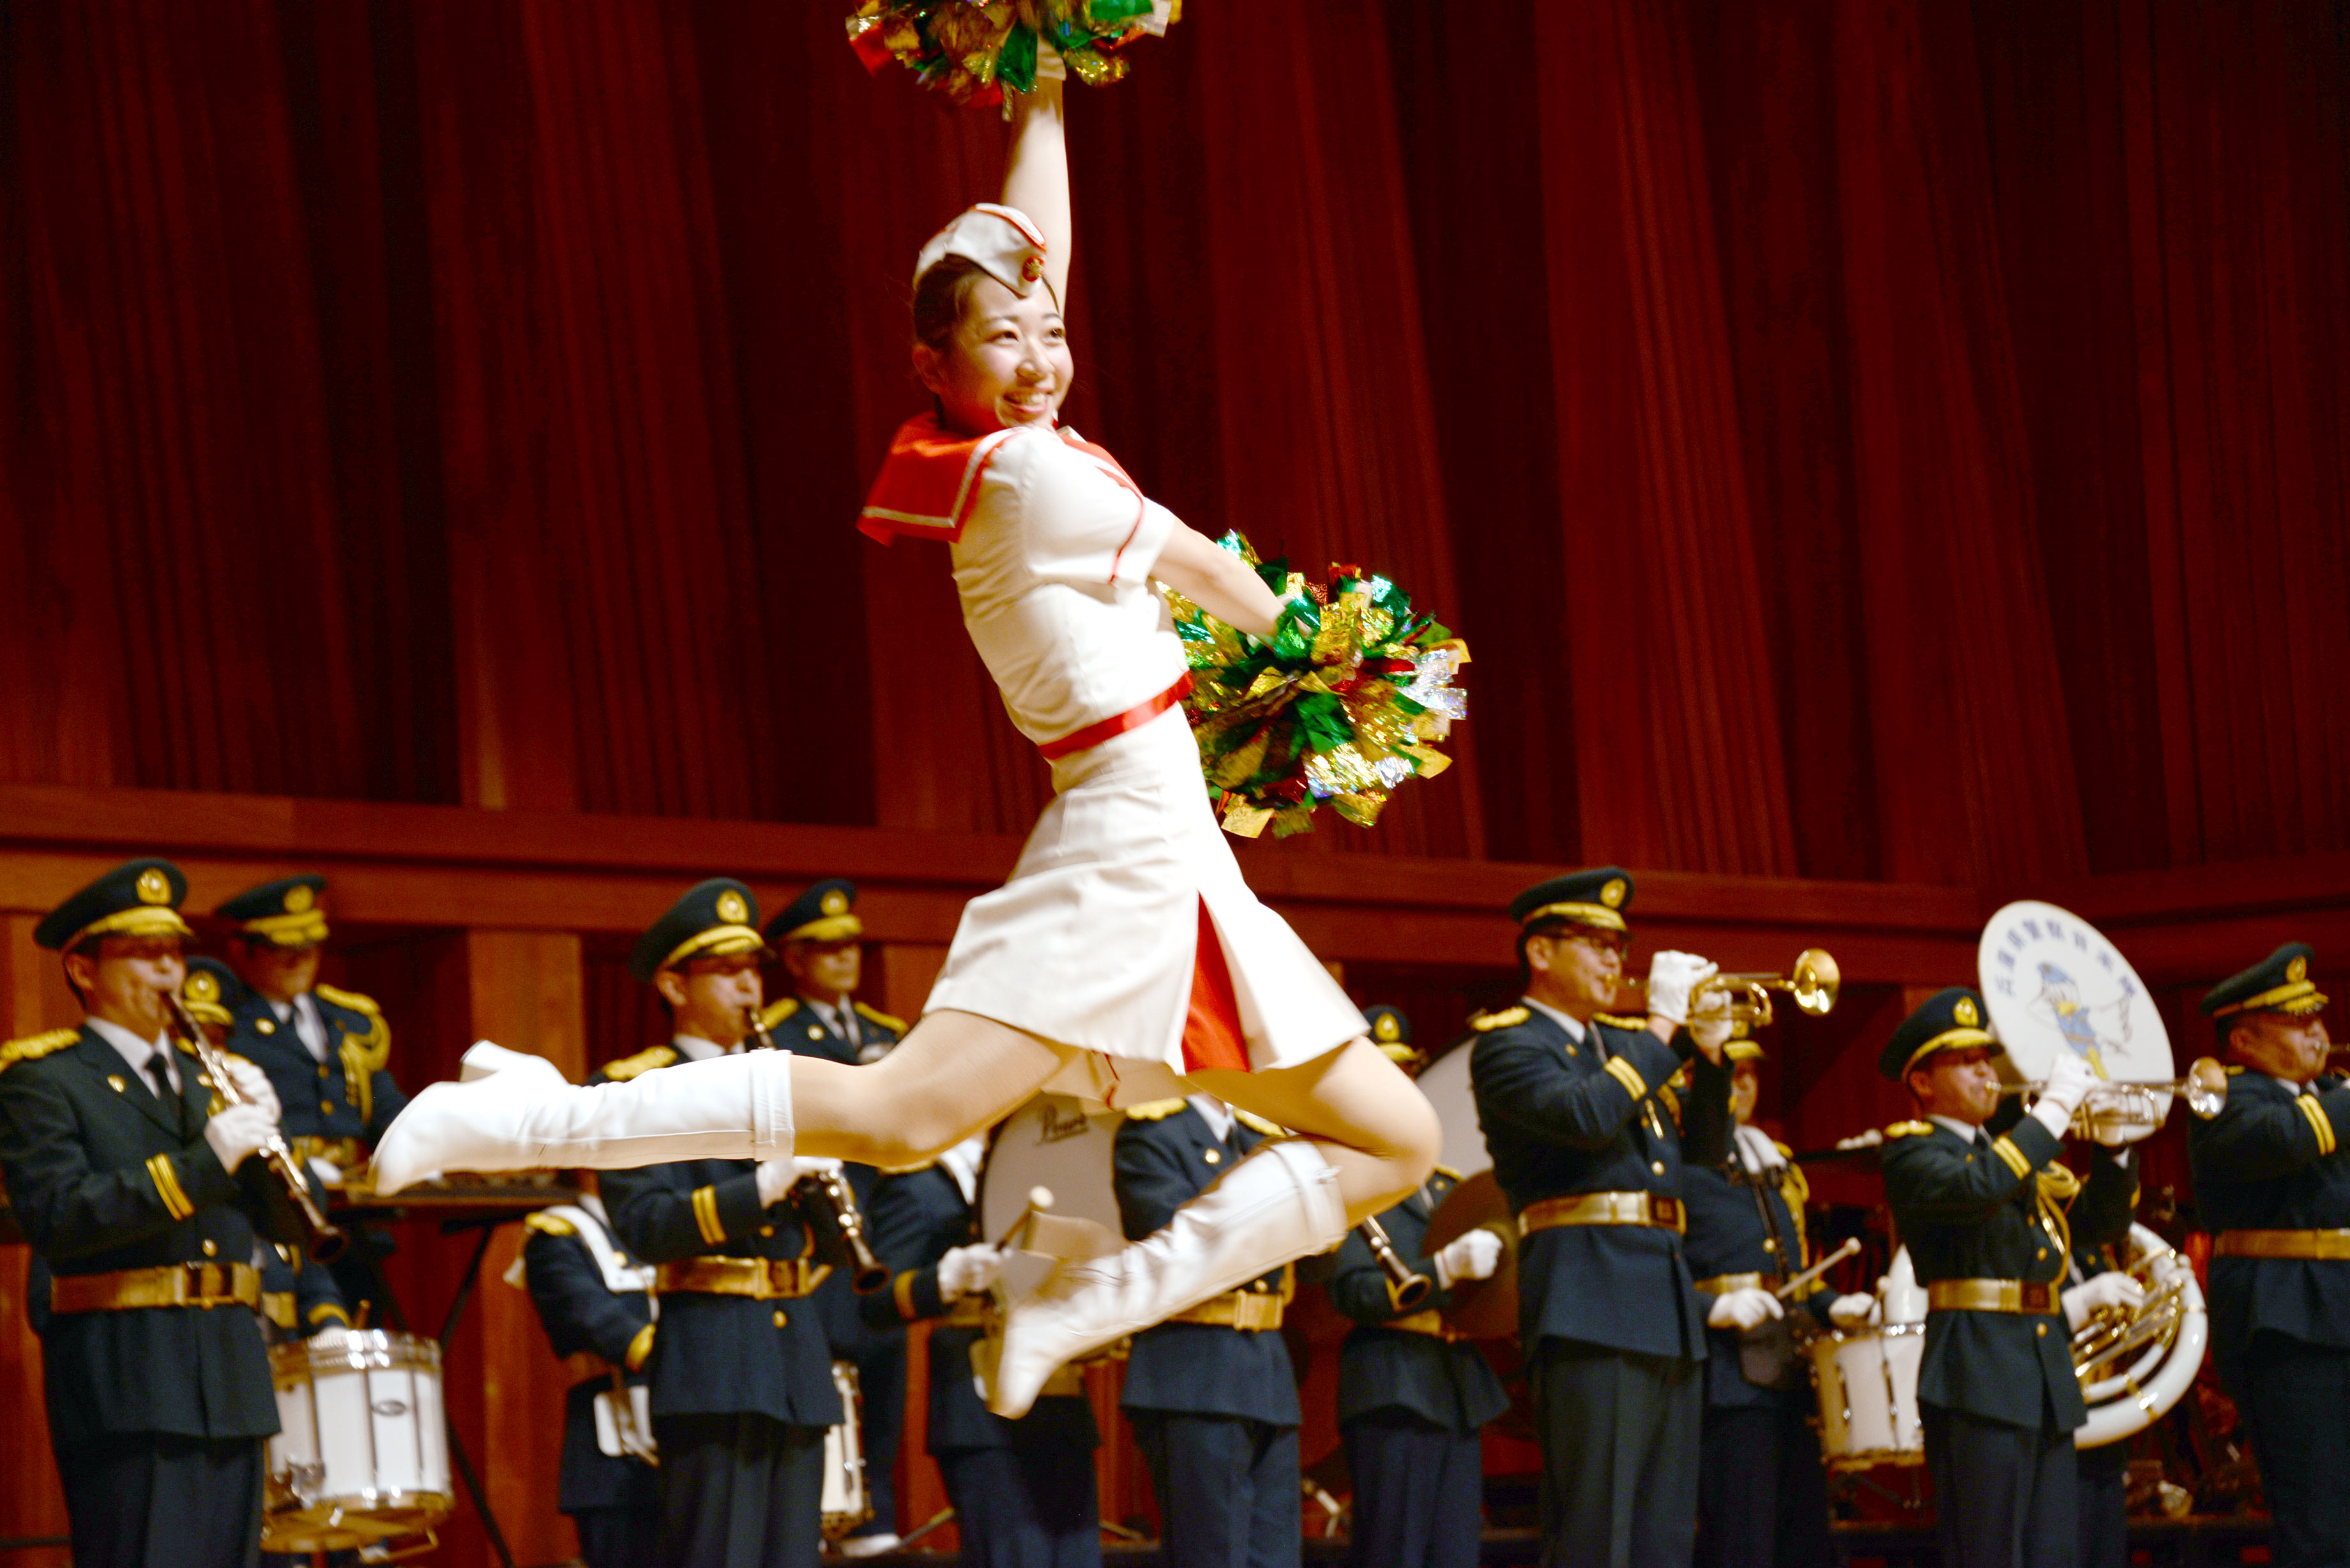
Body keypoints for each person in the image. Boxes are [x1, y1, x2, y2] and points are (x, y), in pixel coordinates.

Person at [368, 67, 1440, 1423]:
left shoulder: (1018, 447)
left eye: (1050, 330)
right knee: (898, 1116)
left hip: (1176, 854)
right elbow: (1230, 586)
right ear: (937, 366)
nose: (1041, 354)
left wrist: (1049, 78)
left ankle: (1098, 1294)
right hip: (1126, 847)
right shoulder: (1025, 478)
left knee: (1396, 1140)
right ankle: (508, 1121)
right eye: (1005, 340)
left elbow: (1029, 243)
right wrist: (1359, 660)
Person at [0, 859, 299, 1567]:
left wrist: (267, 1131)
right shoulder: (44, 1080)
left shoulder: (209, 1080)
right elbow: (61, 1214)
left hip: (229, 1371)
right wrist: (208, 1158)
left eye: (173, 951)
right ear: (82, 969)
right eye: (142, 953)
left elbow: (287, 1229)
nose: (168, 972)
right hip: (128, 1376)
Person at [1467, 867, 1732, 1568]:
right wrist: (1663, 1027)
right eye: (1592, 942)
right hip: (1588, 1302)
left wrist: (1708, 1055)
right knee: (1594, 1529)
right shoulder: (1509, 1043)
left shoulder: (1621, 1045)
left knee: (1664, 1533)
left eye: (1620, 946)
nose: (1614, 959)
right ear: (1540, 952)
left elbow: (1705, 1152)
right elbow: (1583, 1117)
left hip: (1663, 1303)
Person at [1876, 986, 2141, 1568]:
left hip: (2041, 1372)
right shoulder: (1913, 1153)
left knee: (2054, 1553)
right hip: (1977, 1370)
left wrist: (2115, 1146)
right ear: (1922, 1083)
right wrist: (2055, 1108)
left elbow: (2098, 1225)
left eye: (1985, 1060)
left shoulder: (2010, 1154)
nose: (1985, 1074)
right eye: (1966, 1062)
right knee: (1989, 1552)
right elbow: (1979, 1187)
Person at [862, 1133, 1102, 1567]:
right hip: (979, 1404)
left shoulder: (1041, 1158)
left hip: (1059, 1395)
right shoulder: (920, 1183)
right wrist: (946, 1279)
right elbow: (874, 1302)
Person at [1682, 1025, 1872, 1568]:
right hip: (1728, 1380)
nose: (1740, 1086)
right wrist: (1710, 1308)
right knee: (1742, 1541)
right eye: (1727, 1073)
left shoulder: (1771, 1162)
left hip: (1788, 1368)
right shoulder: (1678, 1164)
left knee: (1804, 1539)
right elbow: (1652, 1270)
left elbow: (1790, 1271)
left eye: (1748, 1074)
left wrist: (1830, 1304)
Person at [760, 880, 909, 1558]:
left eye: (850, 945)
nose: (845, 958)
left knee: (884, 1375)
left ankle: (877, 1510)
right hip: (820, 1240)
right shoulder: (780, 1033)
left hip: (888, 1233)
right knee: (827, 1378)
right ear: (794, 959)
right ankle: (826, 1511)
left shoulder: (889, 1033)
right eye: (826, 948)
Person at [1328, 1006, 1507, 1568]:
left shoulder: (1442, 1184)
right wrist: (1443, 1272)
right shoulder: (1345, 1176)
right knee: (1395, 1553)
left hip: (1454, 1384)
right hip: (1394, 1384)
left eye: (1405, 1076)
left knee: (1455, 1554)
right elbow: (1354, 1291)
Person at [2188, 943, 2347, 1568]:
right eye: (2295, 1021)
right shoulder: (2221, 1095)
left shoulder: (2332, 1094)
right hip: (2285, 1322)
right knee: (2318, 1523)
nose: (2317, 1033)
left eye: (2317, 1017)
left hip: (2334, 1308)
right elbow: (2287, 1137)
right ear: (2243, 1041)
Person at [1115, 1092, 1310, 1568]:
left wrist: (1329, 1198)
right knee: (1211, 1555)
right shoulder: (1152, 1131)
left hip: (1266, 1371)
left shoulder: (1263, 1137)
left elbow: (1319, 1266)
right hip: (1196, 1373)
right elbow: (1182, 1242)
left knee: (1278, 1557)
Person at [216, 874, 407, 1182]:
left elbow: (384, 1105)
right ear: (242, 950)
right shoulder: (228, 1026)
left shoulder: (349, 1019)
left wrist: (416, 1150)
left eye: (311, 946)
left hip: (353, 1190)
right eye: (284, 948)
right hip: (272, 1190)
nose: (302, 960)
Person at [510, 1186, 663, 1568]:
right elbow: (591, 1317)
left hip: (701, 1438)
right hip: (616, 1454)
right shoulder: (557, 1236)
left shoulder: (674, 1221)